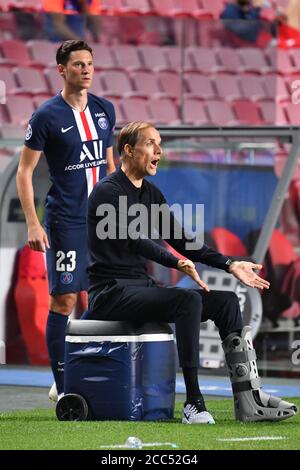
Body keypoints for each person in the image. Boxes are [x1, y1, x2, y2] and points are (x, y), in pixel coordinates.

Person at [86, 121, 298, 424]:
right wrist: (175, 262)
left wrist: (229, 264)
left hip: (140, 287)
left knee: (225, 302)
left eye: (159, 143)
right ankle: (194, 403)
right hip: (110, 291)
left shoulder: (152, 194)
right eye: (150, 144)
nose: (159, 150)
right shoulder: (107, 191)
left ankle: (249, 398)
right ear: (129, 151)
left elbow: (183, 241)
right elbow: (133, 239)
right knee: (188, 301)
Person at [16, 39, 116, 402]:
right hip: (65, 221)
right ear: (61, 69)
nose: (86, 69)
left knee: (103, 296)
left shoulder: (105, 110)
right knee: (64, 299)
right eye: (78, 64)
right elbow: (25, 172)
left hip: (101, 221)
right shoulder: (46, 116)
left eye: (89, 63)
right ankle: (62, 382)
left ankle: (84, 366)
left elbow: (109, 165)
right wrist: (32, 223)